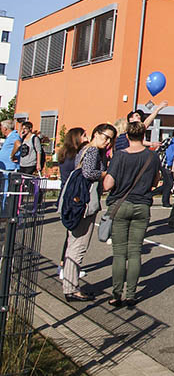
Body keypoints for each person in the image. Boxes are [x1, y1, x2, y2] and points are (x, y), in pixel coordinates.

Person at [103, 119, 158, 307]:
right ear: (144, 136)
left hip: (121, 204)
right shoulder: (152, 157)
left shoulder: (120, 155)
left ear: (127, 136)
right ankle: (131, 294)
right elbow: (155, 181)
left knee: (119, 253)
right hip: (142, 205)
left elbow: (108, 184)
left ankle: (116, 294)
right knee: (135, 251)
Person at [62, 123, 116, 302]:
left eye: (110, 139)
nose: (107, 142)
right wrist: (105, 174)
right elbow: (88, 172)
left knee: (73, 243)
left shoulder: (86, 149)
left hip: (77, 201)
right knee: (79, 245)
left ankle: (71, 285)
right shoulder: (92, 151)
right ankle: (71, 288)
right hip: (84, 203)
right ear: (96, 134)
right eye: (105, 137)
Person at [55, 127, 88, 281]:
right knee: (72, 235)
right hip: (72, 197)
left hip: (64, 194)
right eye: (84, 135)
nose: (86, 137)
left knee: (69, 234)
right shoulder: (74, 156)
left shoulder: (63, 153)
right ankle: (65, 266)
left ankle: (63, 265)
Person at [156, 125, 174, 208]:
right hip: (166, 164)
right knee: (169, 183)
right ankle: (164, 201)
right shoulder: (170, 140)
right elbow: (159, 150)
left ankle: (162, 199)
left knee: (168, 183)